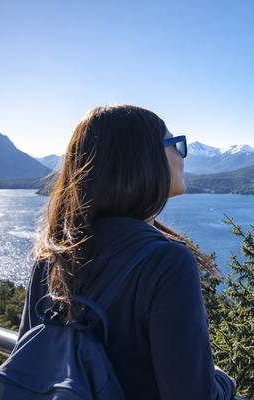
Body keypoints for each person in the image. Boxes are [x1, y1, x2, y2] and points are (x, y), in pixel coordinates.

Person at [19, 104, 237, 399]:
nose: (183, 156)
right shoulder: (167, 261)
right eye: (177, 145)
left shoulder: (55, 251)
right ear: (144, 158)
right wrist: (223, 381)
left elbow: (29, 354)